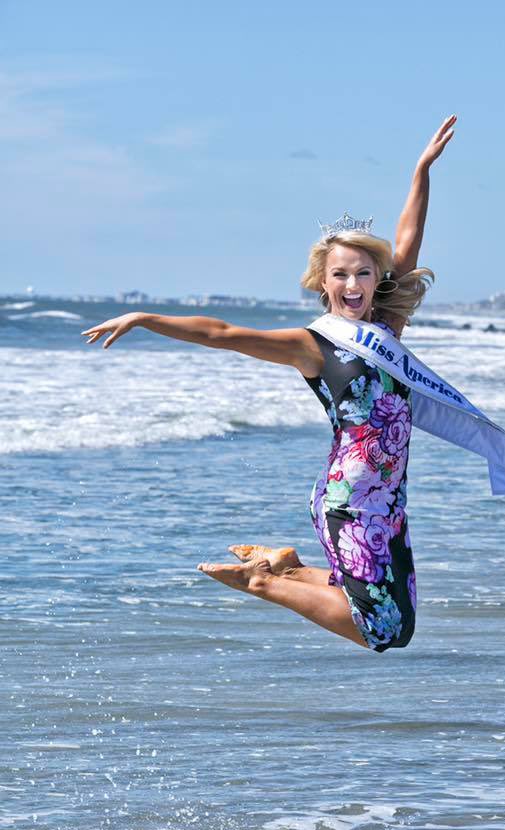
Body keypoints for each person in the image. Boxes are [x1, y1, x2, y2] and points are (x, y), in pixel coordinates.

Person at [82, 116, 457, 652]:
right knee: (383, 629)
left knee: (399, 621)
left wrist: (421, 171)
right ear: (323, 284)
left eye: (363, 274)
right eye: (340, 275)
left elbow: (407, 242)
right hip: (349, 499)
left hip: (387, 498)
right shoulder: (312, 345)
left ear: (378, 278)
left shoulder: (383, 332)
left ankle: (285, 565)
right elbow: (224, 333)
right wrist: (146, 318)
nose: (352, 284)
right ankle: (262, 581)